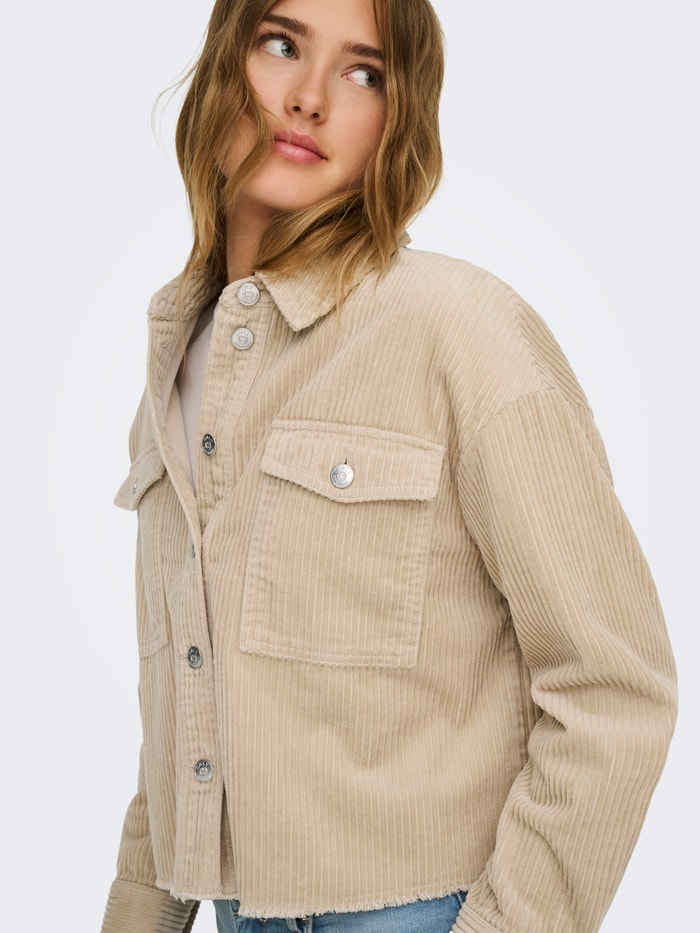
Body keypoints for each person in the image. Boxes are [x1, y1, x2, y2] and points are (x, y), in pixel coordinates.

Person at [100, 1, 677, 931]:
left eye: (363, 72)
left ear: (397, 119)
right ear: (222, 64)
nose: (310, 98)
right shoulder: (174, 372)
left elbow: (614, 685)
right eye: (281, 44)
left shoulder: (463, 331)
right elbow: (182, 709)